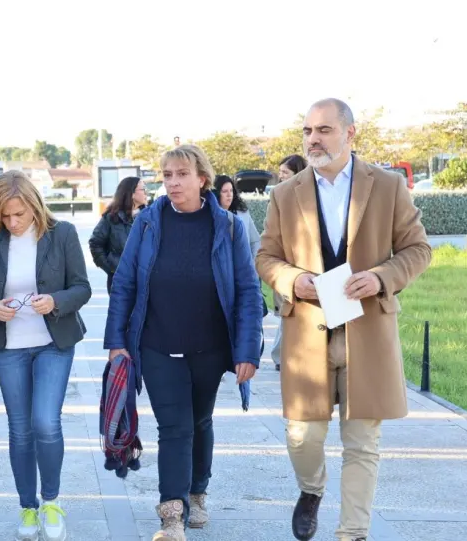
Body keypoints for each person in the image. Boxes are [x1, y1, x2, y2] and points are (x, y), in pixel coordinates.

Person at [256, 99, 431, 541]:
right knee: (303, 437)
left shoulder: (388, 186)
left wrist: (381, 277)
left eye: (324, 130)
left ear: (350, 133)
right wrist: (292, 280)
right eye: (307, 131)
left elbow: (417, 249)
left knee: (362, 444)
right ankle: (311, 488)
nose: (313, 139)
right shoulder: (284, 193)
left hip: (367, 335)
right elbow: (266, 257)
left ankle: (352, 532)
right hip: (306, 336)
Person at [104, 145, 264, 541]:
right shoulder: (147, 223)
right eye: (167, 175)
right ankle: (172, 514)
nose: (172, 182)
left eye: (181, 174)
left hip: (209, 346)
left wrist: (247, 350)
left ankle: (197, 491)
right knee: (174, 426)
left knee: (199, 421)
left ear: (202, 179)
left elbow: (247, 290)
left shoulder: (228, 226)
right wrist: (116, 341)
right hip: (157, 344)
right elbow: (124, 283)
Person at [0, 170, 92, 541]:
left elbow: (82, 288)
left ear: (35, 206)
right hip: (9, 347)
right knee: (20, 429)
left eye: (19, 214)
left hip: (54, 343)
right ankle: (28, 506)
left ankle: (51, 502)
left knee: (45, 423)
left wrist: (55, 301)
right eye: (5, 215)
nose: (12, 222)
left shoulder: (63, 233)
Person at [270, 154, 308, 371]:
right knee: (287, 310)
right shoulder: (279, 196)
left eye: (286, 172)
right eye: (281, 172)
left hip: (303, 263)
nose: (281, 176)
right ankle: (280, 356)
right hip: (284, 265)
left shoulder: (307, 198)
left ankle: (283, 355)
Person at [89, 176, 148, 290]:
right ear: (131, 193)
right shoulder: (111, 218)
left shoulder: (150, 216)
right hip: (120, 283)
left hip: (147, 281)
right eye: (143, 189)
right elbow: (95, 244)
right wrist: (112, 268)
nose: (146, 193)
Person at [214, 174, 261, 258]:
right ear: (217, 194)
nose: (229, 194)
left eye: (231, 190)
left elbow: (255, 241)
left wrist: (253, 262)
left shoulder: (243, 213)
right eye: (224, 191)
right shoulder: (210, 216)